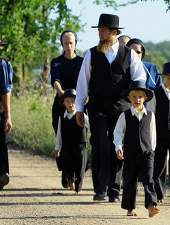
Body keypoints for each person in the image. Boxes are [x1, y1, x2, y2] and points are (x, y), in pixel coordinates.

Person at [75, 13, 146, 202]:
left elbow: (140, 78)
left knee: (117, 145)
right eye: (99, 31)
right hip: (97, 104)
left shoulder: (129, 54)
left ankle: (114, 189)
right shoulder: (91, 53)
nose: (100, 34)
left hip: (121, 105)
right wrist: (80, 108)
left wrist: (136, 100)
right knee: (99, 142)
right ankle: (99, 189)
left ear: (114, 32)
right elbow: (83, 82)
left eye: (103, 31)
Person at [113, 80, 160, 217]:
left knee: (149, 179)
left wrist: (151, 151)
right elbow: (118, 133)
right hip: (131, 153)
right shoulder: (124, 115)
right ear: (129, 98)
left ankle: (151, 206)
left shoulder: (150, 115)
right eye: (134, 96)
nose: (137, 99)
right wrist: (119, 147)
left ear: (145, 99)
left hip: (147, 153)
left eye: (140, 97)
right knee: (130, 181)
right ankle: (130, 208)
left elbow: (153, 135)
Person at [147, 62, 170, 206]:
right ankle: (159, 194)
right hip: (159, 133)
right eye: (169, 78)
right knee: (159, 164)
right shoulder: (155, 93)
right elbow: (151, 116)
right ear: (163, 77)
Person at [50, 30, 83, 188]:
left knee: (77, 141)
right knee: (62, 139)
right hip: (60, 106)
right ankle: (66, 174)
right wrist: (60, 91)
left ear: (75, 42)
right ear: (62, 44)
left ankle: (76, 174)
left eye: (71, 42)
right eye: (65, 43)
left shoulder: (83, 62)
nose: (69, 46)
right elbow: (55, 79)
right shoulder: (56, 62)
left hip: (78, 106)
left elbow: (87, 81)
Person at [54, 89, 89, 194]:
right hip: (67, 147)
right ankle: (70, 180)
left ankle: (79, 188)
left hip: (80, 147)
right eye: (68, 101)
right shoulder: (61, 117)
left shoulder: (83, 115)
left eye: (73, 100)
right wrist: (57, 147)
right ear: (63, 103)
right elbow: (59, 133)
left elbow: (91, 126)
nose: (71, 103)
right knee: (68, 166)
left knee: (80, 168)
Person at [0, 33, 13, 191]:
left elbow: (6, 90)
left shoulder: (4, 64)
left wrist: (8, 115)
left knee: (0, 142)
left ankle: (3, 174)